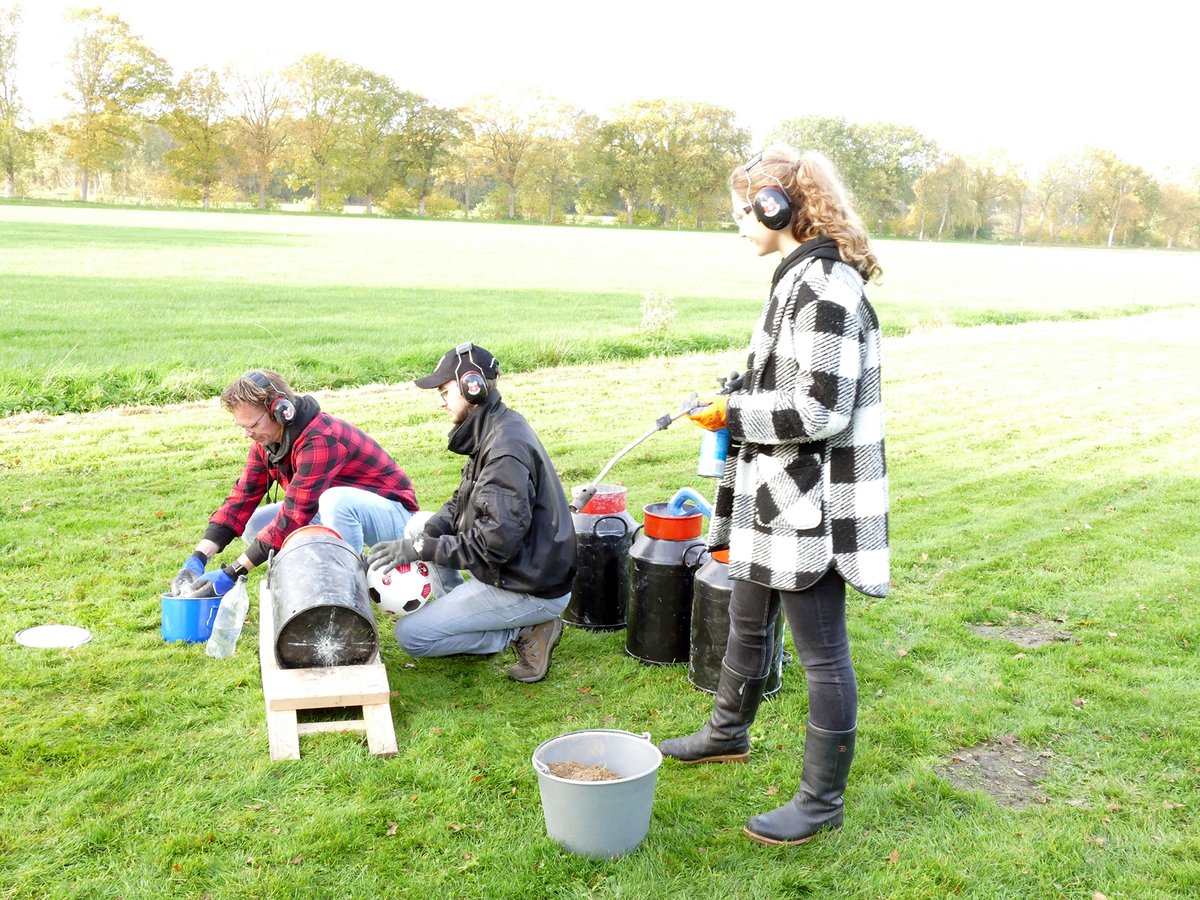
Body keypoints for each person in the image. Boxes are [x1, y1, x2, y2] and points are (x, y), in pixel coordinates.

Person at [658, 147, 889, 847]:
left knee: (823, 656)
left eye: (743, 209)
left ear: (777, 209)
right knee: (748, 619)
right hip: (775, 495)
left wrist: (734, 417)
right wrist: (736, 391)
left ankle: (820, 802)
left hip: (812, 506)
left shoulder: (826, 288)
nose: (737, 223)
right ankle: (728, 733)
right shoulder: (796, 279)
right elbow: (786, 382)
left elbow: (820, 411)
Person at [367, 343, 576, 683]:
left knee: (411, 636)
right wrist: (427, 535)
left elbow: (495, 545)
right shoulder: (494, 427)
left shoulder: (504, 451)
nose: (441, 401)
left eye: (445, 391)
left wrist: (420, 549)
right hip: (517, 567)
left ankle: (523, 630)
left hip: (528, 586)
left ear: (471, 387)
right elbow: (461, 500)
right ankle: (469, 611)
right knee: (420, 524)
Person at [169, 369, 419, 598]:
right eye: (241, 426)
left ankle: (349, 587)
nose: (247, 434)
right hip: (337, 512)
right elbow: (241, 498)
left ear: (281, 411)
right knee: (255, 526)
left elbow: (295, 514)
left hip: (394, 521)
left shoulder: (321, 438)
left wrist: (233, 572)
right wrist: (198, 557)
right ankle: (316, 574)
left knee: (335, 502)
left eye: (252, 425)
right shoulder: (266, 443)